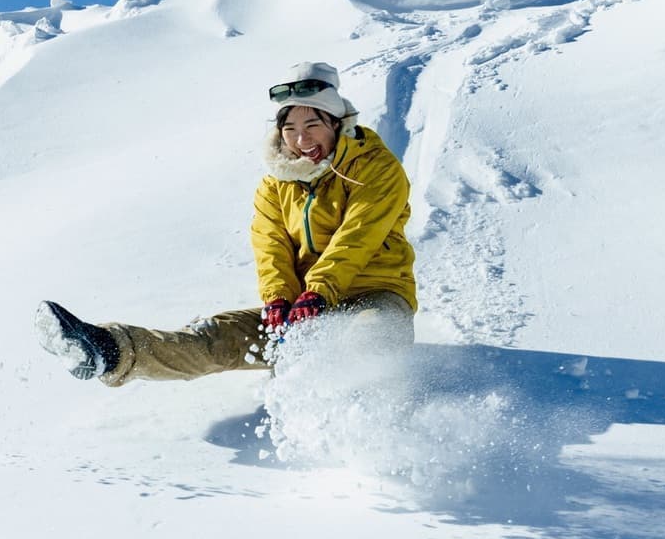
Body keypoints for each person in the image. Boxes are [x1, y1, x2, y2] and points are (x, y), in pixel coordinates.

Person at [35, 61, 417, 386]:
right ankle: (108, 350)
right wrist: (279, 299)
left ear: (336, 122)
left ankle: (365, 429)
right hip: (302, 308)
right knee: (216, 336)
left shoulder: (376, 167)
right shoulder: (275, 183)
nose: (301, 139)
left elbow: (360, 235)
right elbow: (271, 246)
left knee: (367, 344)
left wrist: (319, 292)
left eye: (313, 124)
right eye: (290, 128)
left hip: (374, 295)